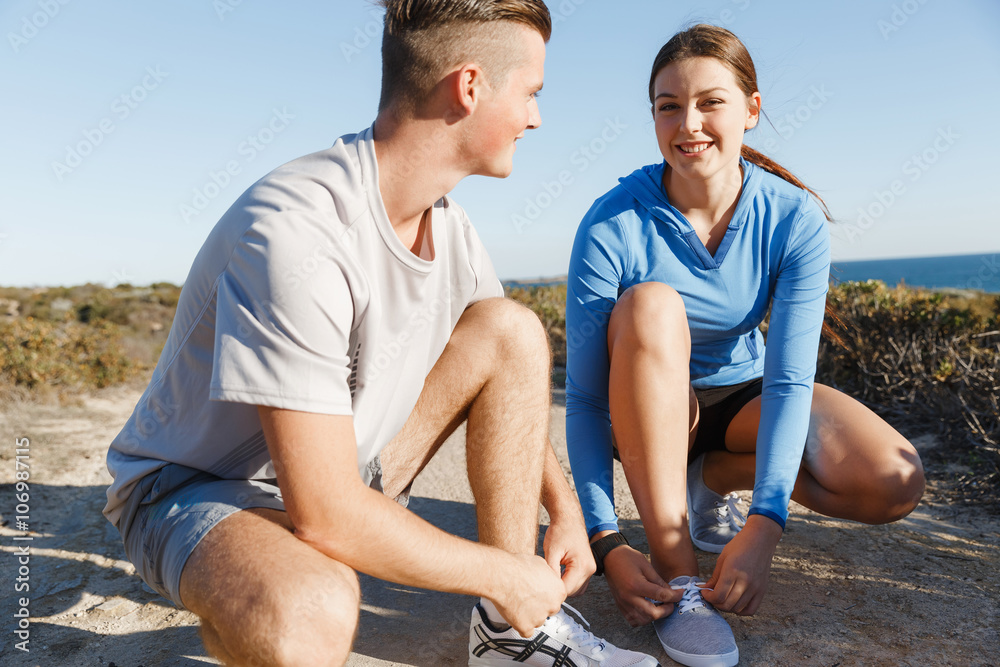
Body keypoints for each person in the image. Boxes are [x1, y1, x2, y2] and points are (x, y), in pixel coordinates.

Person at [102, 2, 661, 666]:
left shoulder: (450, 228)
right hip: (192, 489)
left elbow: (506, 380)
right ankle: (247, 602)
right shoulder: (296, 232)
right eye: (531, 92)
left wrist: (564, 509)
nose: (536, 116)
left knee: (511, 329)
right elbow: (326, 511)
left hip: (338, 466)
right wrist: (505, 573)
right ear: (471, 86)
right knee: (311, 606)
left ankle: (511, 636)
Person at [565, 23, 926, 667]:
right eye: (668, 106)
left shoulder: (793, 218)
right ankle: (680, 578)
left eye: (711, 101)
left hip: (738, 401)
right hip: (644, 408)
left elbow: (787, 382)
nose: (688, 122)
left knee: (891, 482)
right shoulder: (611, 221)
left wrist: (765, 521)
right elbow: (588, 402)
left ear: (752, 110)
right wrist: (606, 541)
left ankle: (715, 479)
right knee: (652, 304)